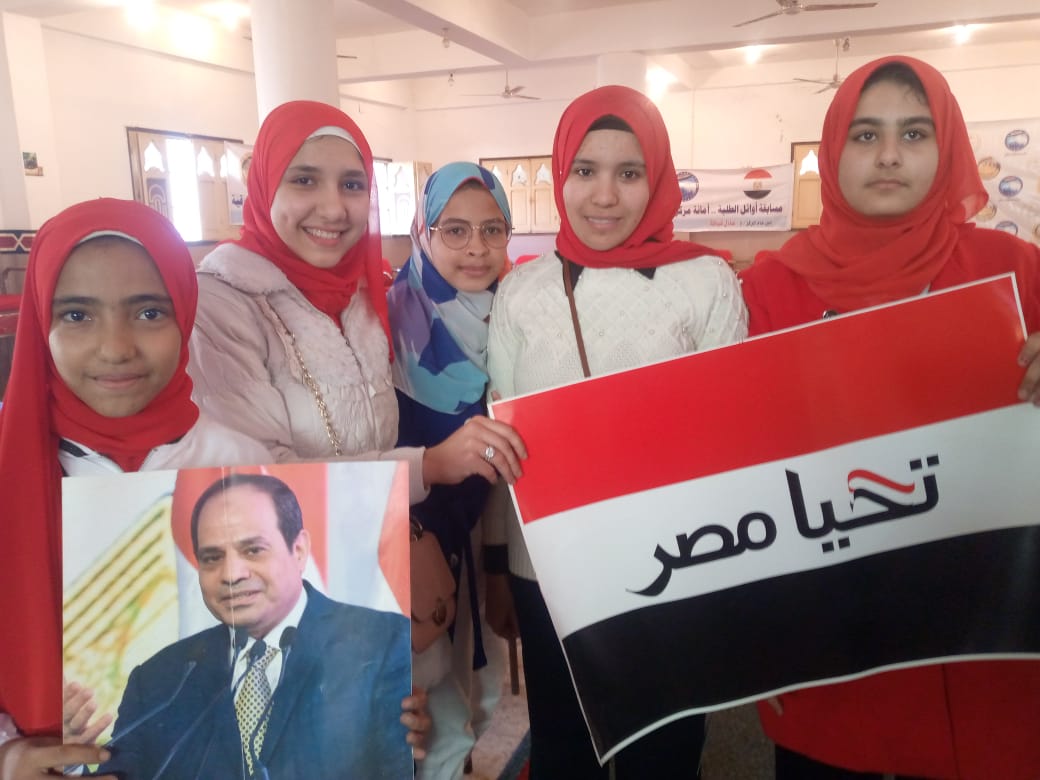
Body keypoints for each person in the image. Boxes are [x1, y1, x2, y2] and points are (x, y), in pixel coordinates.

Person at [740, 55, 1040, 780]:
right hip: (831, 648)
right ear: (832, 150)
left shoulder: (1016, 268)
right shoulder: (770, 288)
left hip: (986, 648)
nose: (889, 156)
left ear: (947, 148)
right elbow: (738, 462)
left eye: (914, 133)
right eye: (866, 134)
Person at [484, 85, 747, 778]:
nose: (604, 195)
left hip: (676, 565)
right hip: (549, 569)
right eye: (585, 170)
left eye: (629, 173)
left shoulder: (706, 283)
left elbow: (733, 437)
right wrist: (497, 568)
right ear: (560, 175)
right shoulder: (522, 291)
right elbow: (502, 445)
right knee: (565, 747)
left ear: (656, 178)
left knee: (663, 751)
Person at [0, 198, 271, 778]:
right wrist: (7, 753)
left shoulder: (240, 463)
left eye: (149, 312)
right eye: (78, 315)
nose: (116, 347)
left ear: (185, 314)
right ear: (42, 321)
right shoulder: (9, 470)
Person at [187, 100, 525, 504]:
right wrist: (427, 467)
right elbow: (252, 486)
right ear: (264, 184)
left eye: (351, 185)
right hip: (306, 540)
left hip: (391, 528)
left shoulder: (360, 301)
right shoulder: (223, 306)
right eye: (304, 180)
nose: (333, 209)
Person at [98, 473, 415, 778]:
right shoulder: (159, 680)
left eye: (253, 550)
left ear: (299, 550)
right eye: (212, 558)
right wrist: (75, 761)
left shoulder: (384, 644)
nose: (231, 574)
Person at [388, 162, 512, 779]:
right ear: (423, 232)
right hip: (405, 541)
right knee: (423, 720)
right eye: (455, 230)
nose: (476, 249)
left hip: (472, 531)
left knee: (472, 699)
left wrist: (497, 563)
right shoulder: (388, 321)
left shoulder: (513, 317)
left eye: (492, 230)